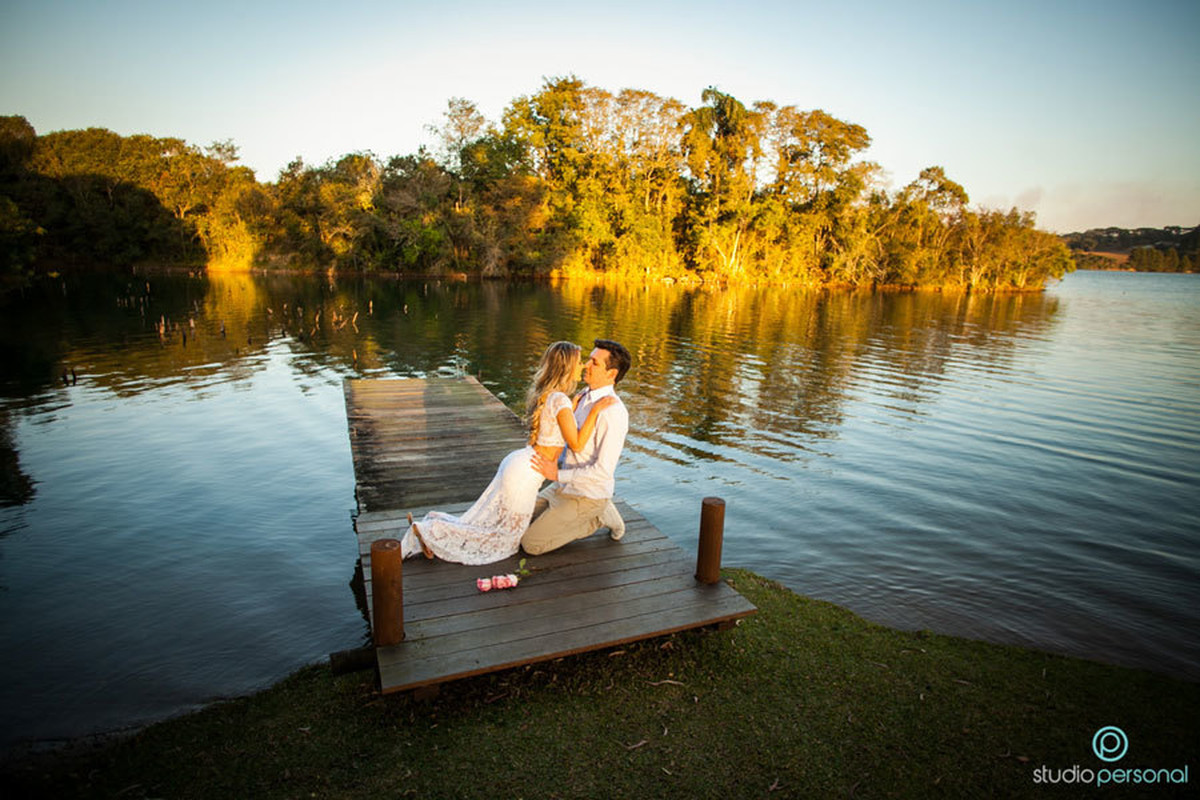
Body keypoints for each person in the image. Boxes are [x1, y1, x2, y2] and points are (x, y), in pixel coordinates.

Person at [399, 341, 616, 564]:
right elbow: (577, 444)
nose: (583, 366)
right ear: (568, 367)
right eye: (580, 361)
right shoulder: (560, 400)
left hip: (520, 462)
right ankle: (429, 530)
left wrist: (573, 405)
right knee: (505, 539)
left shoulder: (549, 395)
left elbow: (554, 426)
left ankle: (431, 535)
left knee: (490, 524)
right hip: (526, 473)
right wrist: (595, 410)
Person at [522, 338, 631, 555]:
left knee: (531, 544)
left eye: (594, 363)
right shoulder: (581, 397)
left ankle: (599, 516)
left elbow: (602, 471)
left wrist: (557, 474)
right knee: (516, 520)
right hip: (562, 488)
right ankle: (597, 509)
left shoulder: (613, 413)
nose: (585, 366)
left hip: (586, 495)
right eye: (589, 360)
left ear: (611, 374)